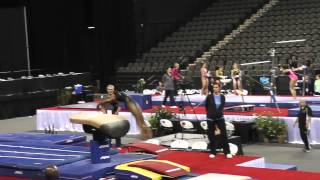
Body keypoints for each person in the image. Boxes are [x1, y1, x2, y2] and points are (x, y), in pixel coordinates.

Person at [205, 83, 232, 159]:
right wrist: (211, 113)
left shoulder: (222, 97)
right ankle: (213, 152)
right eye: (214, 87)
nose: (215, 89)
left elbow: (222, 106)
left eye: (216, 87)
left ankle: (227, 152)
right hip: (210, 118)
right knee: (211, 136)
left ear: (219, 88)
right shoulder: (209, 97)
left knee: (224, 134)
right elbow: (206, 106)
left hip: (220, 117)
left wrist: (218, 113)